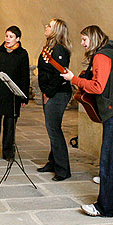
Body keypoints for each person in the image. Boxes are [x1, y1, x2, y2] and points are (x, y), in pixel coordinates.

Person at [61, 25, 113, 217]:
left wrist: (74, 79)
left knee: (109, 159)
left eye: (84, 40)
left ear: (93, 38)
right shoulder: (112, 52)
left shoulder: (102, 56)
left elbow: (97, 87)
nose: (82, 44)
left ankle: (104, 207)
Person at [0, 26, 30, 162]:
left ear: (17, 39)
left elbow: (25, 77)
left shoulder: (22, 54)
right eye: (6, 36)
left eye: (11, 37)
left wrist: (24, 97)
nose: (7, 39)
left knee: (9, 125)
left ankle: (8, 153)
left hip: (12, 95)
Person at [36, 18, 73, 181]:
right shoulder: (50, 47)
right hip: (51, 92)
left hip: (57, 93)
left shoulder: (59, 50)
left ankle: (63, 169)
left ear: (56, 30)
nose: (46, 26)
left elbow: (59, 75)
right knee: (52, 129)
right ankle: (53, 162)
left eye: (49, 26)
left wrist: (48, 93)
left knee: (54, 130)